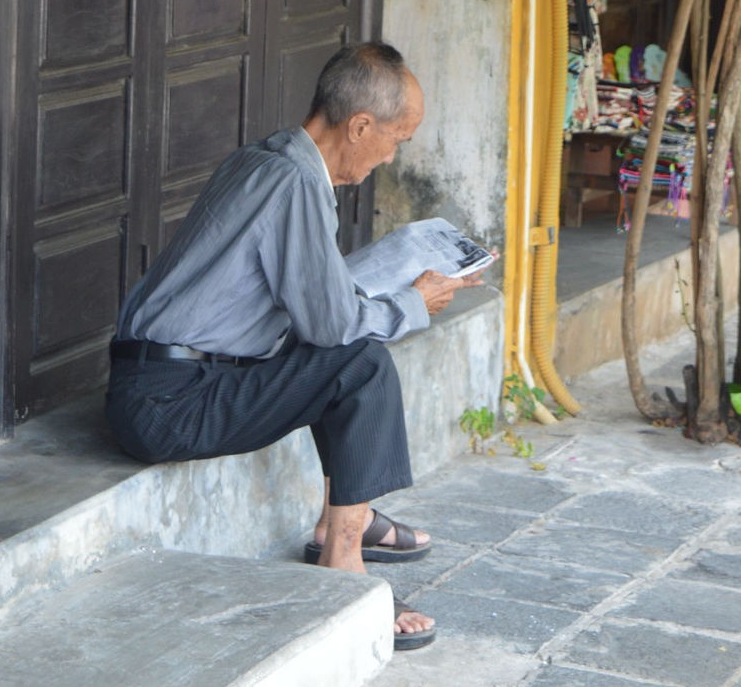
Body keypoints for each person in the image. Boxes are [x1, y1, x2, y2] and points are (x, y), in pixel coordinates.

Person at [104, 41, 478, 652]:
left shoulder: (269, 159)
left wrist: (390, 291)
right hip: (171, 403)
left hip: (163, 384)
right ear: (359, 125)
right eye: (396, 139)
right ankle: (343, 556)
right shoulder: (295, 184)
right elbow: (331, 329)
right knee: (360, 363)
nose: (391, 154)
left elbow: (313, 304)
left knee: (341, 350)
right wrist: (414, 304)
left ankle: (340, 519)